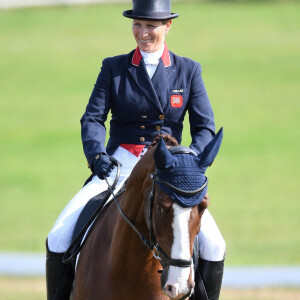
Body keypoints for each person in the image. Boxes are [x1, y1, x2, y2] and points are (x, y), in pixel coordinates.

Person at [46, 0, 226, 299]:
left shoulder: (188, 70)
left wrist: (190, 161)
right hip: (121, 163)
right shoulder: (114, 67)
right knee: (59, 236)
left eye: (151, 26)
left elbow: (205, 127)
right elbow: (93, 118)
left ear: (167, 26)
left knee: (215, 245)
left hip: (168, 169)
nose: (143, 33)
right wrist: (97, 155)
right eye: (137, 25)